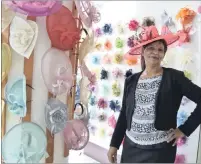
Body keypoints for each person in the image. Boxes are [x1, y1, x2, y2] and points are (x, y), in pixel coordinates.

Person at [107, 22, 201, 163]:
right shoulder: (131, 80)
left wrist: (183, 130)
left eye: (160, 49)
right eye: (151, 48)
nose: (155, 52)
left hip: (160, 151)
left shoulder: (175, 78)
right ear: (143, 51)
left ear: (163, 54)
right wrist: (114, 144)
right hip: (131, 148)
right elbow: (124, 114)